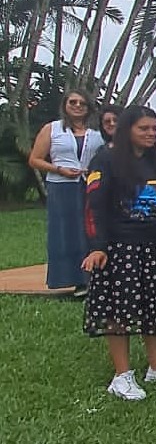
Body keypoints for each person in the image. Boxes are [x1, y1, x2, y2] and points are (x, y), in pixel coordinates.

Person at [81, 105, 156, 400]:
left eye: (154, 129)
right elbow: (94, 207)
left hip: (155, 247)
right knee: (120, 310)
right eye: (143, 129)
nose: (150, 134)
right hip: (120, 249)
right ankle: (121, 376)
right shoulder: (106, 160)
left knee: (152, 307)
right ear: (126, 130)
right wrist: (98, 247)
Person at [28, 89, 100, 296]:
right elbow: (35, 159)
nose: (77, 106)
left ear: (88, 107)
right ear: (65, 105)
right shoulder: (52, 129)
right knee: (66, 230)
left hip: (89, 184)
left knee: (90, 230)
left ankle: (91, 278)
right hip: (61, 186)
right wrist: (59, 169)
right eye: (73, 102)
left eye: (82, 103)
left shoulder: (96, 132)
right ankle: (72, 278)